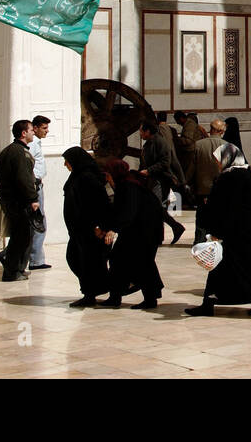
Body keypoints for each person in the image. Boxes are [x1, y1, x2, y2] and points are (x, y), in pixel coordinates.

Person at [187, 142, 251, 317]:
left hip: (237, 235)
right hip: (248, 233)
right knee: (231, 270)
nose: (218, 164)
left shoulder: (230, 178)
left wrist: (216, 231)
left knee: (227, 269)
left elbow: (227, 208)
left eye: (219, 160)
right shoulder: (244, 174)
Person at [98, 158, 164, 309]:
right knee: (120, 259)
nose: (107, 178)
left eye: (108, 174)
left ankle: (149, 298)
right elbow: (119, 211)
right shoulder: (125, 184)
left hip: (145, 231)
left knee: (142, 263)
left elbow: (129, 211)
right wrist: (106, 227)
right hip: (136, 230)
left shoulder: (129, 186)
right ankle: (116, 296)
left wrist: (114, 229)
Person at [61, 146, 111, 308]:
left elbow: (99, 204)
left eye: (67, 161)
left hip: (89, 229)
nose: (65, 165)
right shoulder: (78, 176)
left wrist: (99, 225)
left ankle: (92, 293)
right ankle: (91, 291)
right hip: (79, 230)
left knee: (86, 261)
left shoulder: (87, 178)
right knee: (78, 259)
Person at [0, 119, 39, 281]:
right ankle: (11, 271)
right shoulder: (19, 153)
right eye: (31, 130)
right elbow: (24, 179)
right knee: (21, 236)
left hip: (10, 199)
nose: (34, 132)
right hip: (19, 202)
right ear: (23, 133)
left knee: (22, 235)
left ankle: (18, 267)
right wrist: (32, 198)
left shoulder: (9, 150)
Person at [138, 120, 185, 245]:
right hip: (152, 179)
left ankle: (176, 227)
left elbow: (165, 162)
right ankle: (160, 236)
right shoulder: (150, 143)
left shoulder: (160, 142)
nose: (140, 133)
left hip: (160, 179)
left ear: (148, 131)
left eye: (141, 130)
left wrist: (148, 171)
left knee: (156, 207)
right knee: (156, 207)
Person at [186, 119, 226, 244]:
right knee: (219, 215)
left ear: (211, 129)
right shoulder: (226, 146)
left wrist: (187, 182)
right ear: (221, 131)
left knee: (201, 216)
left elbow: (191, 168)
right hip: (220, 188)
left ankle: (199, 241)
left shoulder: (198, 145)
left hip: (202, 188)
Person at [27, 114, 51, 271]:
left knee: (35, 222)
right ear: (34, 128)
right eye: (44, 128)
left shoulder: (37, 143)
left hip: (36, 185)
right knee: (38, 223)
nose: (47, 131)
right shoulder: (33, 144)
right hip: (34, 186)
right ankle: (35, 260)